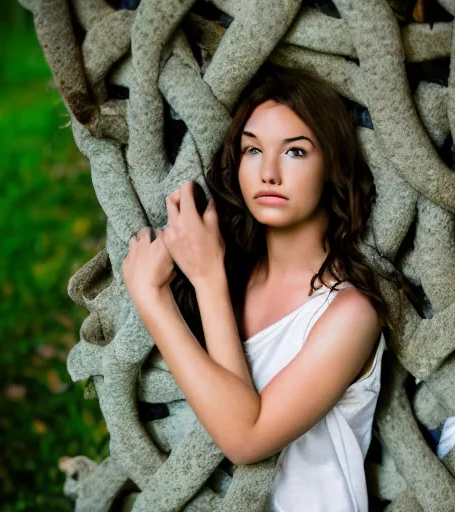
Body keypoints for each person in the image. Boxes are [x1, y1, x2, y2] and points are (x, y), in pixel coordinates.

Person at [122, 63, 399, 511]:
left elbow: (246, 438)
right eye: (253, 151)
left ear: (332, 165)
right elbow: (230, 402)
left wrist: (157, 298)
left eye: (295, 152)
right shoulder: (234, 280)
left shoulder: (350, 313)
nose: (268, 172)